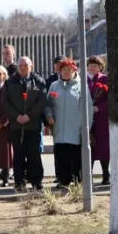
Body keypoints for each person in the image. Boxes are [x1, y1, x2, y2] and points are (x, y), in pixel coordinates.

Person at [2, 56, 47, 191]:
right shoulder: (10, 82)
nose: (22, 68)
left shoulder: (39, 81)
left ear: (31, 66)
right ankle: (19, 181)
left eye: (25, 65)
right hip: (16, 126)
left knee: (34, 154)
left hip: (33, 125)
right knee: (19, 155)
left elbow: (42, 101)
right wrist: (17, 116)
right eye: (20, 65)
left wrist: (28, 116)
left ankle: (36, 181)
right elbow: (5, 103)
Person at [46, 58, 93, 186]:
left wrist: (87, 127)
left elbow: (88, 107)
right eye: (64, 69)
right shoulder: (54, 86)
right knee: (61, 156)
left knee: (76, 157)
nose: (66, 72)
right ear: (60, 71)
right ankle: (63, 181)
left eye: (70, 70)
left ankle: (78, 182)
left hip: (75, 129)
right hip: (59, 129)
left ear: (74, 71)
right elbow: (48, 104)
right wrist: (49, 116)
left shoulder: (82, 86)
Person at [87, 55, 110, 185]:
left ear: (100, 67)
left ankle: (106, 174)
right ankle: (87, 175)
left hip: (101, 119)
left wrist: (98, 107)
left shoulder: (105, 79)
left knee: (102, 147)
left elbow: (110, 100)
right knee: (89, 145)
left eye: (95, 65)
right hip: (87, 118)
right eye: (90, 65)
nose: (92, 67)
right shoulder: (83, 80)